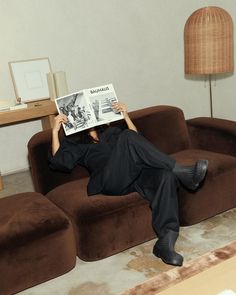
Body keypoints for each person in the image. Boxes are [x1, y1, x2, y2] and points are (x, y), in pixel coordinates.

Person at [49, 102, 208, 267]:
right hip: (109, 180)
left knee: (165, 175)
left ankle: (165, 242)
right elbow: (59, 162)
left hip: (133, 176)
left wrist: (126, 116)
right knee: (127, 137)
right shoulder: (76, 142)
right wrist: (55, 131)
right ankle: (181, 172)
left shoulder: (111, 131)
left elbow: (139, 142)